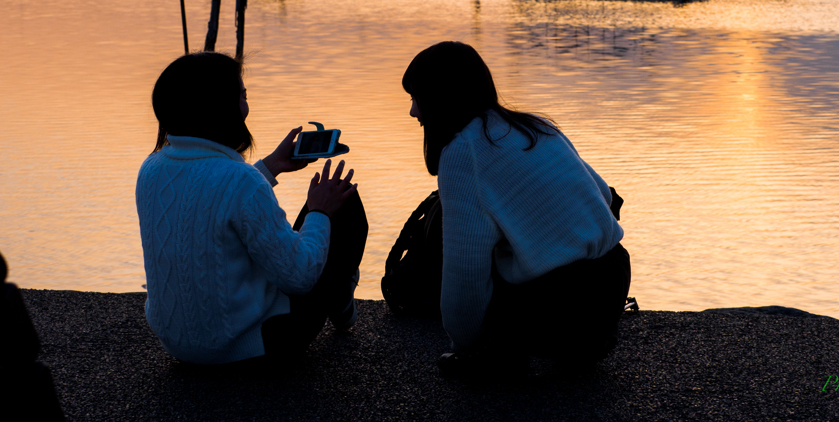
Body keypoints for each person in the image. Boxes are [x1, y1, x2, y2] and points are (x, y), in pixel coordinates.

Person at [402, 41, 630, 377]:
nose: (413, 112)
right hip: (611, 284)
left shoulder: (464, 152)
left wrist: (464, 347)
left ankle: (502, 352)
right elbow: (603, 197)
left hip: (562, 309)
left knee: (450, 235)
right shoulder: (536, 125)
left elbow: (464, 271)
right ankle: (570, 341)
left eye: (415, 98)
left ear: (439, 96)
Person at [135, 52, 367, 364]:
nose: (246, 101)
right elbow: (299, 277)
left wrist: (272, 166)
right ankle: (339, 296)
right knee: (343, 201)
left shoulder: (151, 169)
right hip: (254, 348)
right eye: (242, 94)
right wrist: (319, 212)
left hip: (179, 345)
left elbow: (210, 199)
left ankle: (337, 290)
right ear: (223, 106)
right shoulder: (241, 179)